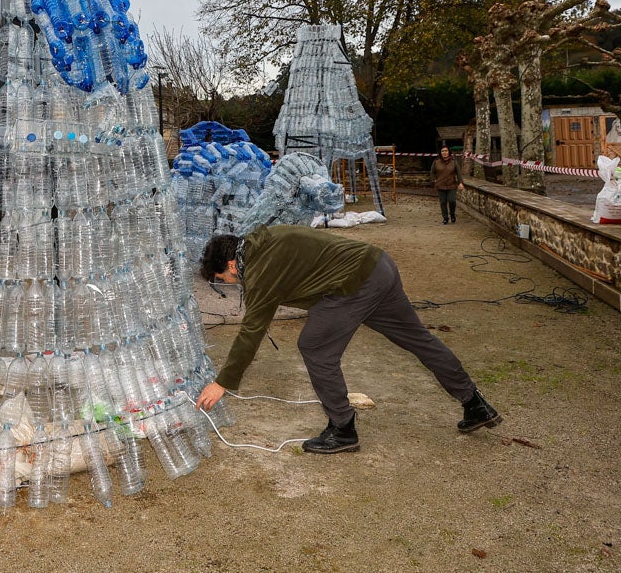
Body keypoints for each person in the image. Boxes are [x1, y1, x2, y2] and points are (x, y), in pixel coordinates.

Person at [194, 226, 501, 454]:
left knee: (314, 346)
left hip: (354, 286)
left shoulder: (260, 271)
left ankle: (342, 429)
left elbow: (252, 330)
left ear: (232, 265)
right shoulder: (266, 240)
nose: (229, 283)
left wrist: (222, 382)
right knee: (419, 339)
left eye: (223, 279)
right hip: (378, 266)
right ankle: (475, 404)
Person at [431, 144, 464, 225]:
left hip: (452, 185)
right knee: (443, 202)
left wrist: (460, 183)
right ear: (440, 153)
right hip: (440, 185)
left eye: (446, 151)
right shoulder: (436, 161)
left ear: (449, 152)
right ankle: (445, 217)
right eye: (443, 151)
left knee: (452, 200)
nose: (444, 152)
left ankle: (452, 214)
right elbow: (432, 172)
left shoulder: (454, 162)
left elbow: (458, 173)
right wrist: (434, 180)